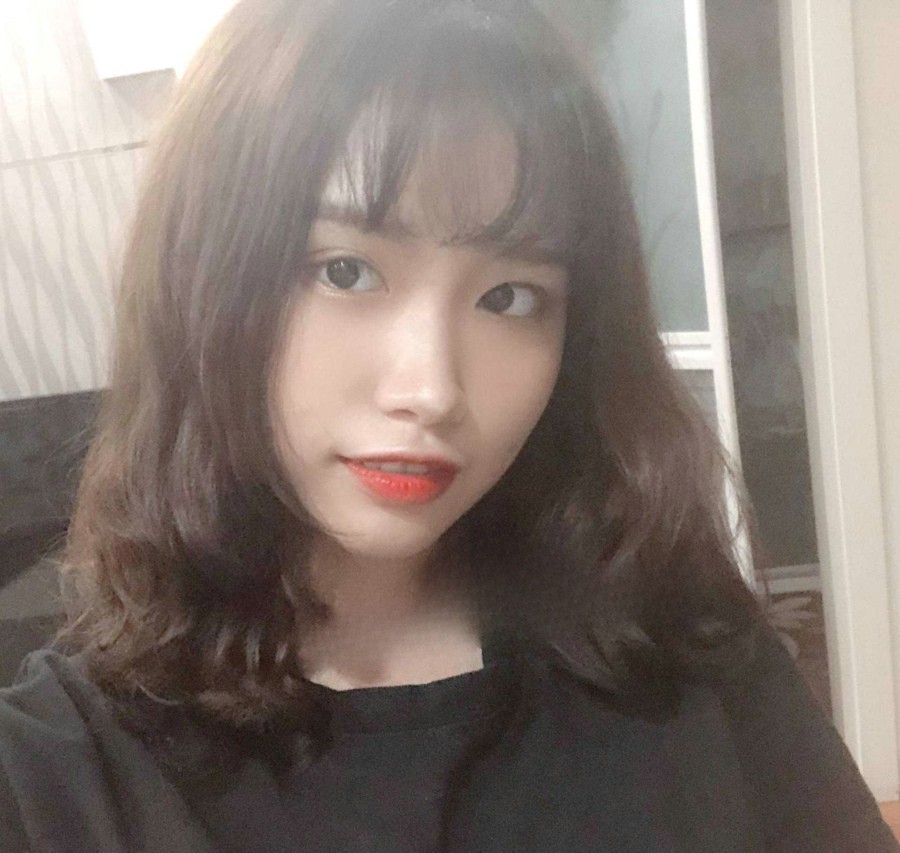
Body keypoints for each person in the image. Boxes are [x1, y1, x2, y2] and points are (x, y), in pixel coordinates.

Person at [0, 0, 896, 849]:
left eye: (510, 296)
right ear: (197, 283)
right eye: (345, 271)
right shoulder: (57, 773)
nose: (432, 388)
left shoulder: (672, 634)